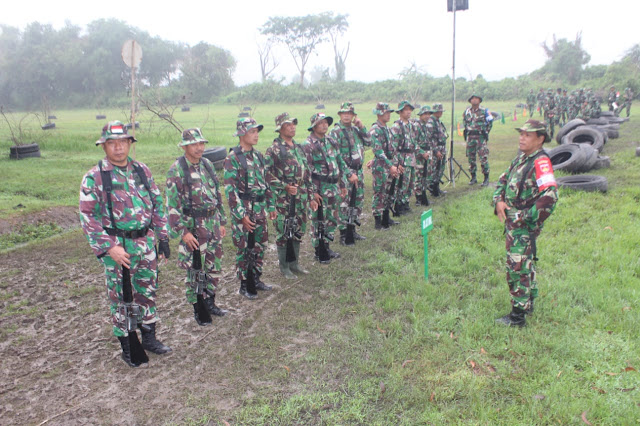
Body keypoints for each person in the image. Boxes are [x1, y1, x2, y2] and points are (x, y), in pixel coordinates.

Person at [79, 121, 171, 367]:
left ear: (130, 143)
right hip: (119, 250)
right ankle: (129, 346)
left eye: (122, 142)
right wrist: (110, 247)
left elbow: (157, 204)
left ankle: (149, 337)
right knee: (123, 298)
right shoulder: (95, 177)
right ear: (104, 146)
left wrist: (162, 238)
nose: (118, 148)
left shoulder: (142, 170)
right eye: (112, 143)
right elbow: (89, 217)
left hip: (145, 245)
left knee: (147, 292)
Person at [493, 119, 558, 327]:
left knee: (517, 267)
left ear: (540, 139)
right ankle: (527, 304)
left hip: (523, 225)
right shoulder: (522, 157)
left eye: (527, 135)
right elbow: (503, 179)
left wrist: (523, 217)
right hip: (513, 223)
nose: (521, 138)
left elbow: (550, 196)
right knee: (524, 263)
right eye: (521, 133)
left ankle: (517, 317)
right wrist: (499, 201)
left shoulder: (540, 162)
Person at [165, 128, 228, 326]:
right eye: (194, 144)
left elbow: (217, 194)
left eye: (201, 143)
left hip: (212, 224)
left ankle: (210, 302)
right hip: (193, 228)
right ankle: (198, 307)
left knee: (213, 265)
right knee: (195, 269)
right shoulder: (177, 169)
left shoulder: (208, 164)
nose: (199, 147)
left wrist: (222, 220)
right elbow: (172, 206)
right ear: (184, 146)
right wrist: (183, 233)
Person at [224, 117, 277, 299]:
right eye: (252, 132)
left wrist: (270, 205)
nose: (256, 135)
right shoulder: (233, 159)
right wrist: (241, 216)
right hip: (245, 210)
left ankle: (256, 277)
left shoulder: (259, 156)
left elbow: (266, 181)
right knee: (244, 247)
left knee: (260, 244)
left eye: (256, 132)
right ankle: (245, 283)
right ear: (241, 134)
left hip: (260, 208)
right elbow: (230, 191)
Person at [265, 113, 318, 278]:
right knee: (284, 230)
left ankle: (294, 263)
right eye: (288, 125)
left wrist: (311, 196)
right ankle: (284, 267)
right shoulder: (274, 149)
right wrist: (283, 186)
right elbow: (265, 173)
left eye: (294, 124)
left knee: (298, 229)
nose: (292, 127)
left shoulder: (298, 147)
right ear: (280, 128)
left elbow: (306, 172)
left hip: (301, 196)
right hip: (284, 198)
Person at [301, 112, 348, 261]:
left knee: (332, 218)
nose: (324, 125)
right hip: (319, 188)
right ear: (314, 126)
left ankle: (327, 246)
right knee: (318, 220)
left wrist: (342, 184)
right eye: (320, 123)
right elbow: (305, 171)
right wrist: (312, 192)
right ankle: (318, 250)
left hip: (333, 186)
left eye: (326, 122)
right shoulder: (308, 145)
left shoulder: (331, 141)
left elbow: (339, 162)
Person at [329, 102, 370, 243]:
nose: (347, 116)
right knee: (344, 203)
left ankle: (352, 229)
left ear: (353, 115)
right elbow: (335, 155)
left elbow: (370, 141)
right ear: (340, 115)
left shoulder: (356, 130)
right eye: (344, 113)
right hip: (344, 173)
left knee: (357, 201)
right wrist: (347, 174)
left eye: (350, 113)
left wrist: (361, 126)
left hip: (358, 171)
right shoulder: (335, 132)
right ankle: (343, 233)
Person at [368, 102, 401, 228]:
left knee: (389, 192)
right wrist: (390, 165)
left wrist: (396, 164)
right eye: (386, 112)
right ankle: (378, 221)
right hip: (381, 167)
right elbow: (378, 151)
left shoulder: (387, 128)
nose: (388, 115)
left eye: (389, 112)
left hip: (390, 165)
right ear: (379, 114)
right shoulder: (374, 130)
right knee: (379, 192)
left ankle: (386, 217)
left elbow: (392, 148)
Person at [389, 100, 417, 214]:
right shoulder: (397, 126)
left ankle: (405, 203)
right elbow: (393, 147)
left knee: (410, 183)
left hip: (411, 157)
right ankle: (398, 205)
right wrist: (397, 163)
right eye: (406, 110)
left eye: (409, 109)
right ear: (400, 112)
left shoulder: (411, 125)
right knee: (401, 184)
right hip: (402, 158)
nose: (408, 112)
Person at [463, 94, 493, 186]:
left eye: (476, 98)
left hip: (480, 137)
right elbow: (465, 122)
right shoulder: (467, 112)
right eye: (472, 99)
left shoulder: (485, 111)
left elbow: (490, 122)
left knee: (483, 157)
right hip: (470, 137)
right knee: (471, 158)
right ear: (470, 101)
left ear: (479, 100)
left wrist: (486, 132)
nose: (474, 100)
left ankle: (486, 178)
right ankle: (473, 177)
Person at [426, 103, 448, 197]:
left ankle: (436, 188)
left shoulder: (438, 121)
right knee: (435, 170)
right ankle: (433, 189)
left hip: (442, 148)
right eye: (438, 111)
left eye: (441, 111)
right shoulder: (431, 122)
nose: (440, 113)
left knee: (440, 169)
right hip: (436, 150)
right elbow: (429, 138)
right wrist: (435, 151)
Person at [413, 105, 432, 205]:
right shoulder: (417, 126)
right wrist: (422, 153)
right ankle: (418, 198)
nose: (427, 116)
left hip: (426, 154)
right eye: (425, 114)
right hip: (419, 155)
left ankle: (424, 196)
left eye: (429, 114)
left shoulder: (425, 126)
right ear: (420, 115)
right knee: (418, 177)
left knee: (425, 176)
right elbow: (413, 142)